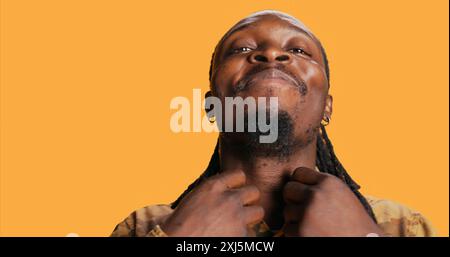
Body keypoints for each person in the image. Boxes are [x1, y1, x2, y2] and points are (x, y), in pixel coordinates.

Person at [111, 10, 435, 237]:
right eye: (242, 48)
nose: (271, 54)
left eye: (297, 49)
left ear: (327, 108)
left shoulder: (402, 226)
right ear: (212, 108)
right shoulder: (146, 226)